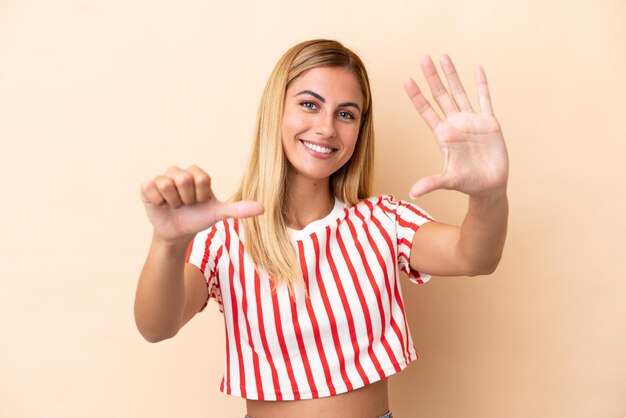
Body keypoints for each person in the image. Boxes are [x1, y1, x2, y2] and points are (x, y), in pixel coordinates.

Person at [134, 39, 508, 418]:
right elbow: (156, 326)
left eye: (346, 114)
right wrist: (167, 243)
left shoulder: (383, 221)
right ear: (275, 111)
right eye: (309, 105)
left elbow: (473, 255)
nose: (326, 128)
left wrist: (490, 194)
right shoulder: (226, 237)